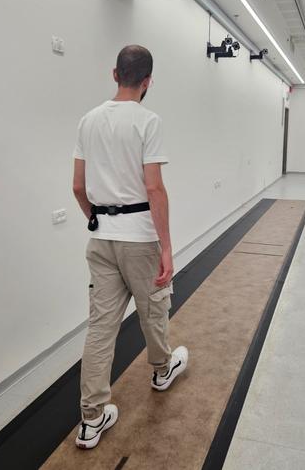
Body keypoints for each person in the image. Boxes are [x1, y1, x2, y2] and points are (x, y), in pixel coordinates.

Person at [71, 45, 188, 449]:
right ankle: (161, 369)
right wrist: (168, 248)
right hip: (139, 238)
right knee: (153, 310)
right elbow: (154, 187)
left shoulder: (88, 121)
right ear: (147, 82)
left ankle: (91, 418)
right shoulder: (147, 121)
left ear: (113, 74)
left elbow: (77, 187)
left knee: (100, 328)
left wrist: (94, 216)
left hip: (101, 238)